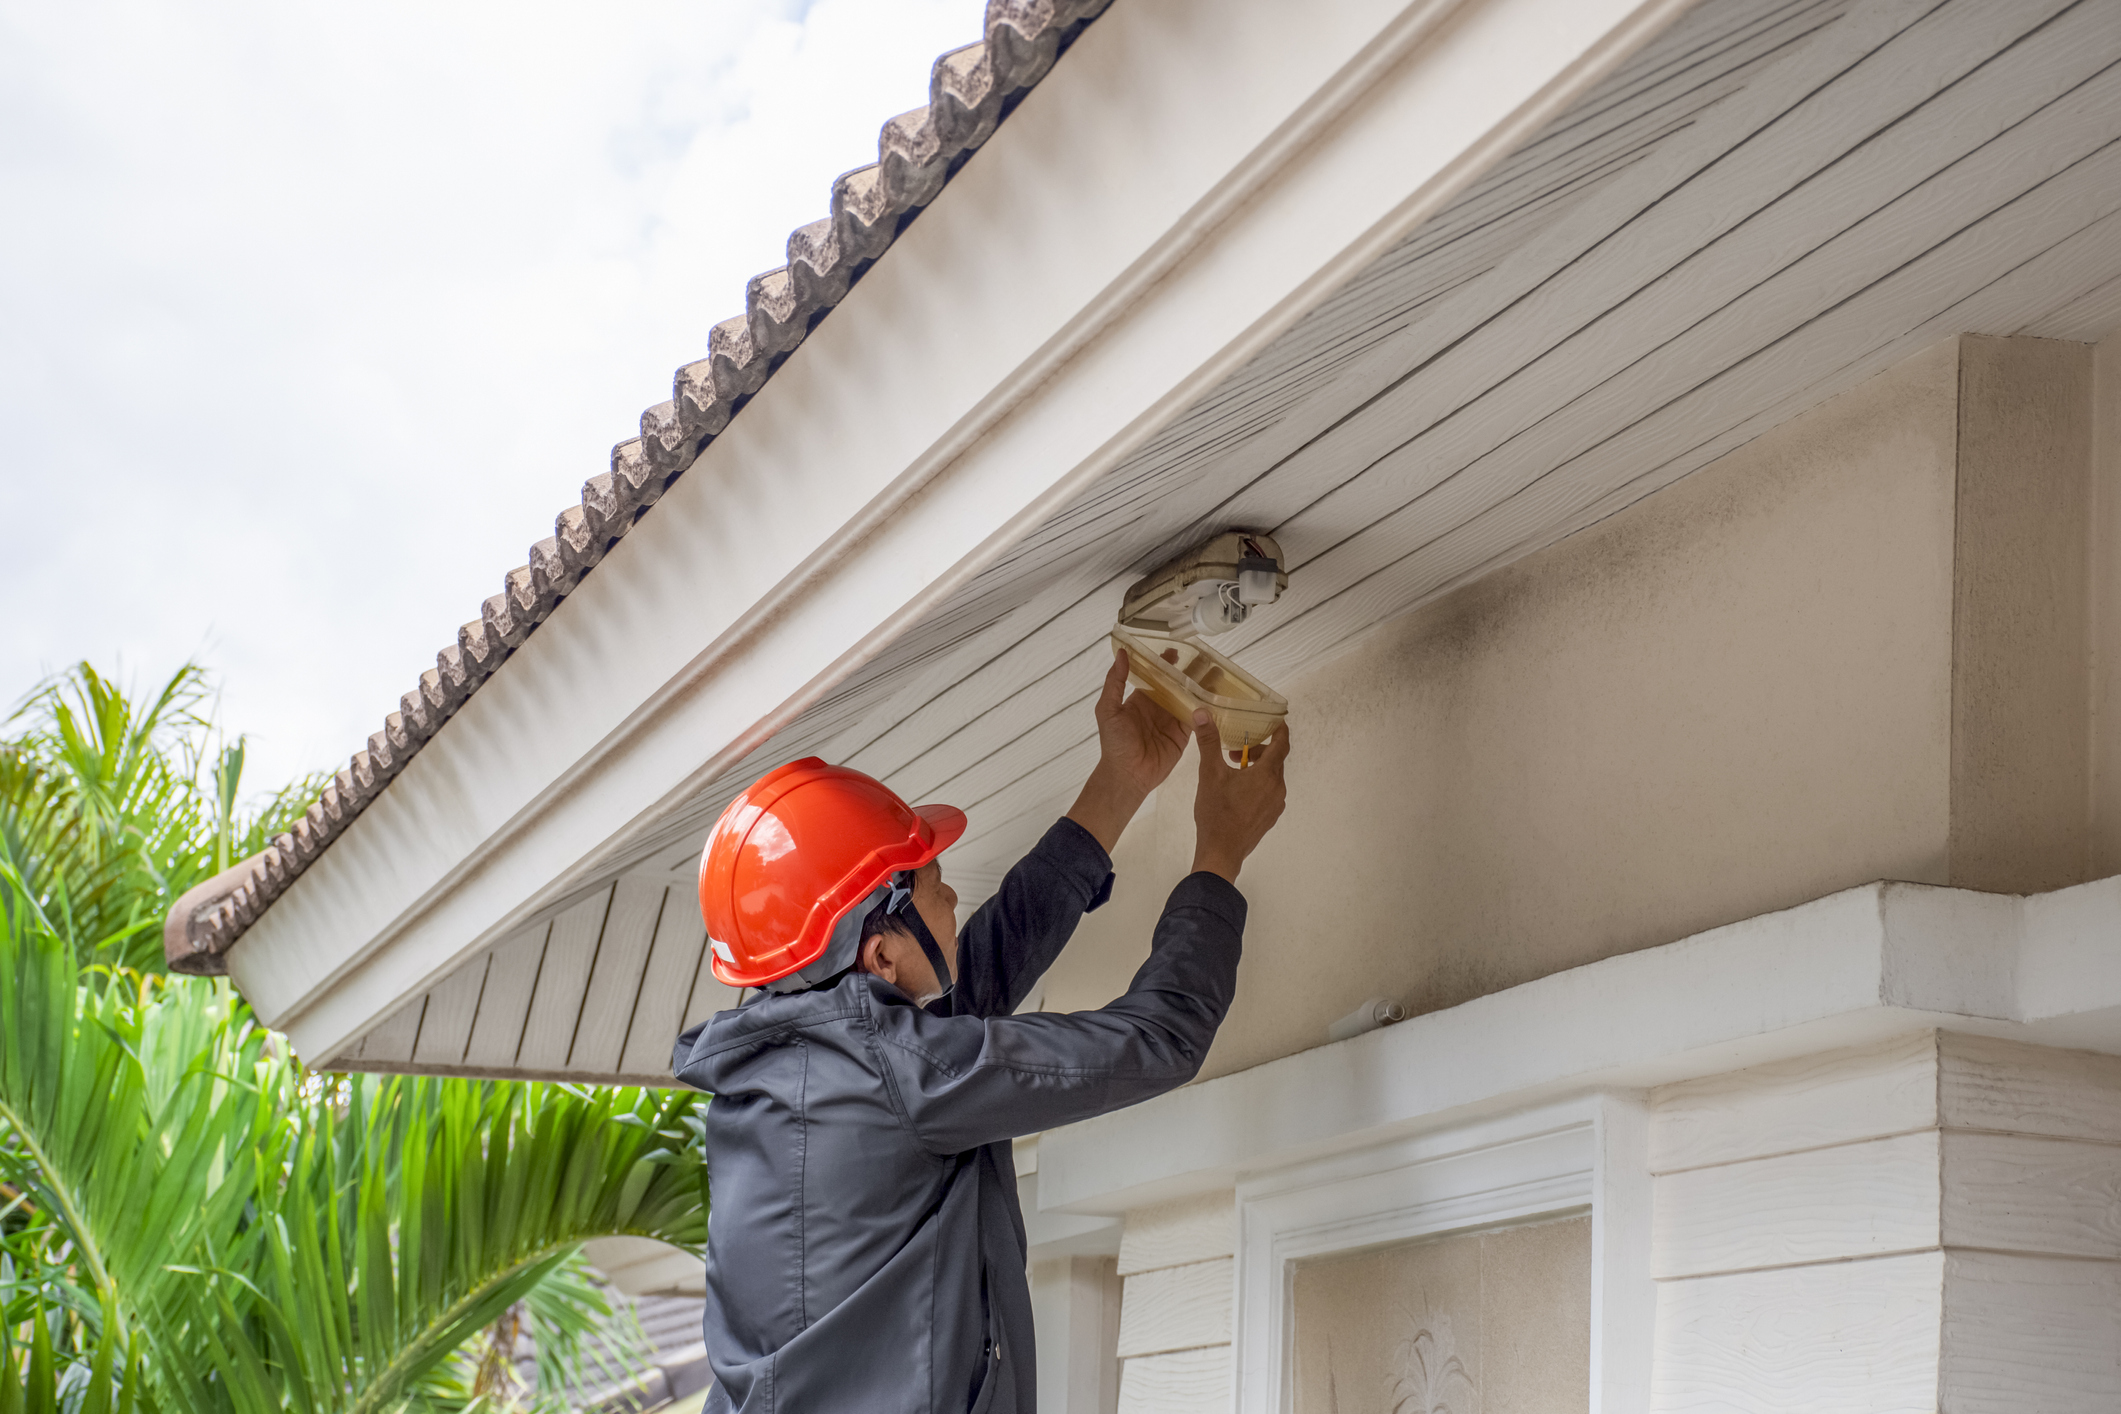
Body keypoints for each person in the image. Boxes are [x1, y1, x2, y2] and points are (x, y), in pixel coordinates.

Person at [672, 649, 1290, 1412]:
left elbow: (970, 990)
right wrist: (1217, 855)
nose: (953, 894)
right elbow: (1159, 1039)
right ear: (880, 952)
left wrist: (1120, 784)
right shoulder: (893, 1074)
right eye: (933, 886)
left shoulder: (784, 1076)